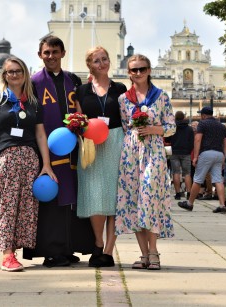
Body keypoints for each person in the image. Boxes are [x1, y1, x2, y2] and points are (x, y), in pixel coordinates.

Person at [23, 35, 95, 267]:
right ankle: (50, 250)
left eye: (55, 52)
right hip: (46, 150)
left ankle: (68, 247)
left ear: (63, 53)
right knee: (50, 201)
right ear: (40, 55)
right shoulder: (33, 82)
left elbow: (80, 109)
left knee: (70, 199)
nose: (51, 56)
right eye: (46, 53)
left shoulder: (72, 79)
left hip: (72, 149)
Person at [0, 56, 56, 272]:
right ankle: (7, 255)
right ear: (4, 75)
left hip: (30, 160)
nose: (14, 75)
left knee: (24, 210)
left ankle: (13, 252)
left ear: (25, 73)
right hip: (5, 159)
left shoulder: (32, 101)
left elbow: (41, 135)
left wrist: (46, 164)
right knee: (6, 207)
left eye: (18, 71)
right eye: (10, 71)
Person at [115, 54, 176, 270]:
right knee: (133, 200)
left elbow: (171, 127)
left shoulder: (161, 97)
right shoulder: (124, 99)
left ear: (149, 70)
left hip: (154, 152)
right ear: (129, 73)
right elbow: (125, 126)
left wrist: (153, 130)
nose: (138, 73)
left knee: (151, 198)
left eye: (142, 69)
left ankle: (154, 251)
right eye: (134, 70)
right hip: (131, 152)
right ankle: (143, 254)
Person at [75, 46, 127, 267]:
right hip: (91, 144)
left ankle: (108, 250)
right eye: (97, 61)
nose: (102, 63)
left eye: (105, 59)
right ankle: (98, 243)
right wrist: (78, 125)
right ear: (89, 65)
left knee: (114, 196)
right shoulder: (81, 91)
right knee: (95, 195)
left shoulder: (121, 88)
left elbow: (126, 118)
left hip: (116, 141)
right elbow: (77, 117)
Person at [178, 106, 226, 213]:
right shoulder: (221, 126)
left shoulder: (203, 123)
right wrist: (224, 156)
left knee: (198, 179)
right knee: (218, 180)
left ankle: (189, 203)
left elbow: (197, 139)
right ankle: (222, 205)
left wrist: (195, 156)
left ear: (204, 115)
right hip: (219, 154)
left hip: (206, 153)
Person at [167, 111, 194, 200]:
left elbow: (168, 139)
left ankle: (178, 193)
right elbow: (192, 142)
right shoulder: (189, 129)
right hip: (186, 153)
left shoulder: (173, 128)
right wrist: (189, 150)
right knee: (187, 173)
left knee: (176, 172)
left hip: (174, 152)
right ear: (183, 117)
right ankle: (189, 193)